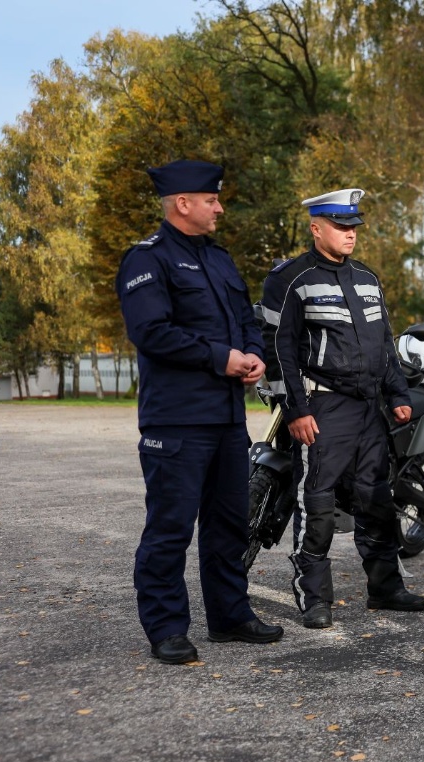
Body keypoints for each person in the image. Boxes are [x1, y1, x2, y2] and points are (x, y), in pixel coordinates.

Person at [116, 159, 284, 665]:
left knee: (229, 524)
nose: (220, 206)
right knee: (170, 527)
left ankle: (229, 615)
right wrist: (221, 358)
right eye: (211, 199)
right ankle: (166, 628)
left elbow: (245, 318)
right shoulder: (147, 260)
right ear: (182, 203)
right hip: (177, 420)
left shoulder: (219, 259)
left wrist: (252, 353)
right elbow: (150, 332)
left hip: (228, 419)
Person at [272, 188, 424, 629]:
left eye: (354, 226)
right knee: (317, 505)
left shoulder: (368, 279)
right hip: (322, 407)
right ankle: (314, 597)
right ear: (316, 227)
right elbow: (279, 349)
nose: (350, 234)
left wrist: (398, 395)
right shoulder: (291, 280)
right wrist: (296, 409)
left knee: (376, 500)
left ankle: (386, 589)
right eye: (341, 226)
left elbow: (385, 344)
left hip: (369, 410)